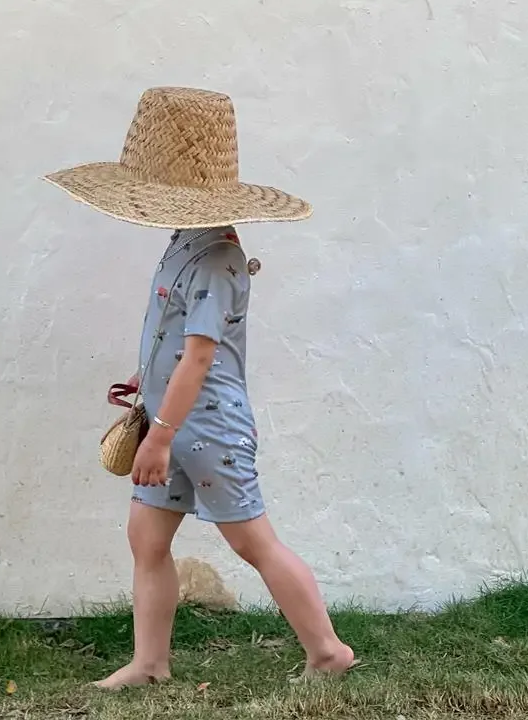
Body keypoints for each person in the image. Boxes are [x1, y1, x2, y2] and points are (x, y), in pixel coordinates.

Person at [45, 87, 357, 689]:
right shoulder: (183, 243)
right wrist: (145, 377)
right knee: (146, 536)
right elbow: (175, 334)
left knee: (253, 542)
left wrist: (158, 439)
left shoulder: (218, 258)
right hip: (171, 420)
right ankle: (149, 663)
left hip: (206, 430)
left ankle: (329, 652)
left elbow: (200, 356)